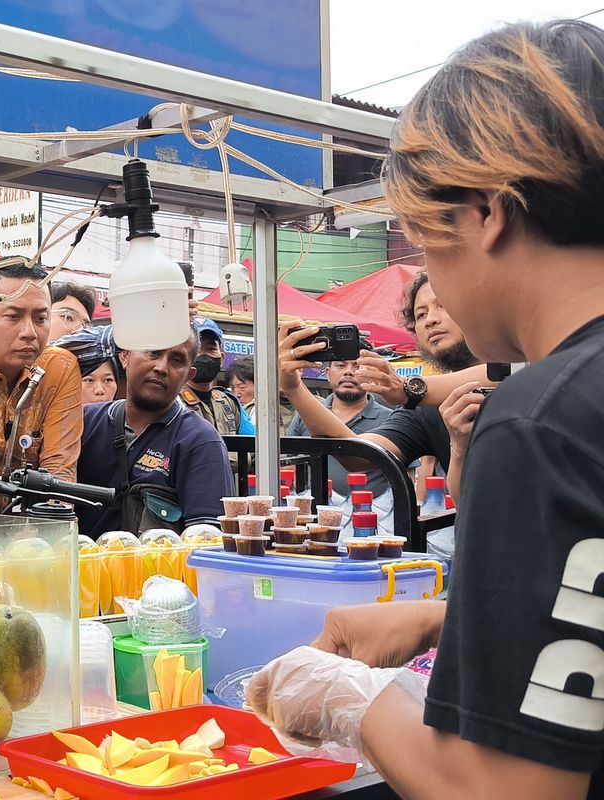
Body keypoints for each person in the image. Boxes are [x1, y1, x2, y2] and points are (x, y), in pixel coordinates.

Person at [250, 21, 604, 799]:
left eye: (422, 239)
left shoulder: (541, 422)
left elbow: (500, 790)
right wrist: (447, 616)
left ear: (486, 210)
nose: (427, 277)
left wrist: (355, 699)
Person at [279, 272, 484, 502]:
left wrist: (409, 389)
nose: (430, 320)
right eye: (421, 314)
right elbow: (358, 455)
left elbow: (495, 375)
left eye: (443, 306)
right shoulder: (423, 410)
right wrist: (294, 387)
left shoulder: (516, 369)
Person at [77, 333, 232, 537]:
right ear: (125, 356)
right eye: (153, 352)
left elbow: (206, 543)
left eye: (177, 360)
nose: (161, 367)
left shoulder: (200, 442)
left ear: (188, 376)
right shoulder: (82, 423)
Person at [0, 262, 83, 485]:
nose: (29, 333)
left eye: (40, 318)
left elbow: (59, 470)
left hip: (31, 516)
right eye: (13, 316)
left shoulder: (59, 368)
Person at [283, 347, 394, 498]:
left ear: (372, 376)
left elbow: (406, 474)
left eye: (357, 366)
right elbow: (289, 464)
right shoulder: (305, 415)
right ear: (327, 373)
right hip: (315, 515)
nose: (348, 372)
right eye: (341, 366)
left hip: (372, 515)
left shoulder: (391, 419)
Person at [179, 318, 255, 436]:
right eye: (197, 350)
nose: (204, 356)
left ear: (222, 359)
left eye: (211, 349)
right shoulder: (173, 401)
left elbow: (253, 444)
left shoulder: (230, 402)